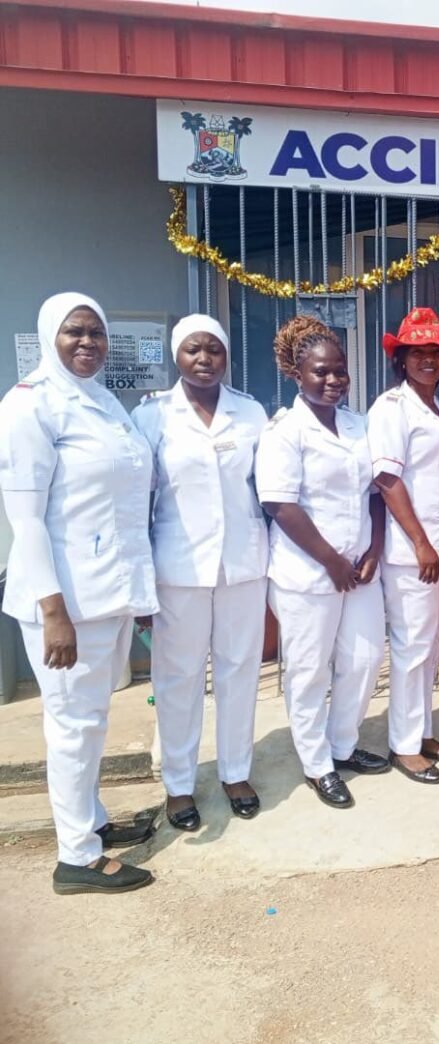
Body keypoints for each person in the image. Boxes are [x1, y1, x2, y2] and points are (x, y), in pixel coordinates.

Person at [0, 293, 157, 894]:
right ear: (49, 336)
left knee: (91, 721)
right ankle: (76, 858)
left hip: (109, 594)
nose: (87, 342)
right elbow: (28, 520)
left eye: (96, 332)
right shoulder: (30, 406)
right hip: (65, 603)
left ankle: (88, 821)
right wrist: (53, 611)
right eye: (74, 332)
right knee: (71, 723)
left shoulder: (101, 400)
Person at [132, 315, 269, 830]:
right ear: (176, 355)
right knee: (178, 678)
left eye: (214, 349)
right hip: (178, 568)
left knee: (239, 670)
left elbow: (267, 490)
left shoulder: (251, 412)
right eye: (193, 349)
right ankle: (180, 784)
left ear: (226, 355)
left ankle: (236, 772)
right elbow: (137, 507)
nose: (205, 358)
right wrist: (141, 580)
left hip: (242, 565)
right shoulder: (151, 417)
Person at [256, 316, 387, 809]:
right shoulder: (284, 430)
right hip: (306, 573)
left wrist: (373, 548)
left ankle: (343, 745)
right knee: (309, 670)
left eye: (340, 371)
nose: (333, 380)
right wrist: (332, 560)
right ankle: (316, 764)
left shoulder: (358, 425)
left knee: (364, 657)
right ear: (296, 373)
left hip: (358, 568)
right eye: (320, 372)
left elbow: (376, 490)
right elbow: (280, 504)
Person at [368, 307, 439, 785]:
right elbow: (388, 480)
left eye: (437, 352)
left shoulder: (437, 407)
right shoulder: (392, 407)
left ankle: (423, 731)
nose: (428, 360)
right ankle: (404, 746)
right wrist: (421, 543)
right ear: (401, 358)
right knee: (411, 648)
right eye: (418, 353)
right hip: (415, 551)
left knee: (429, 647)